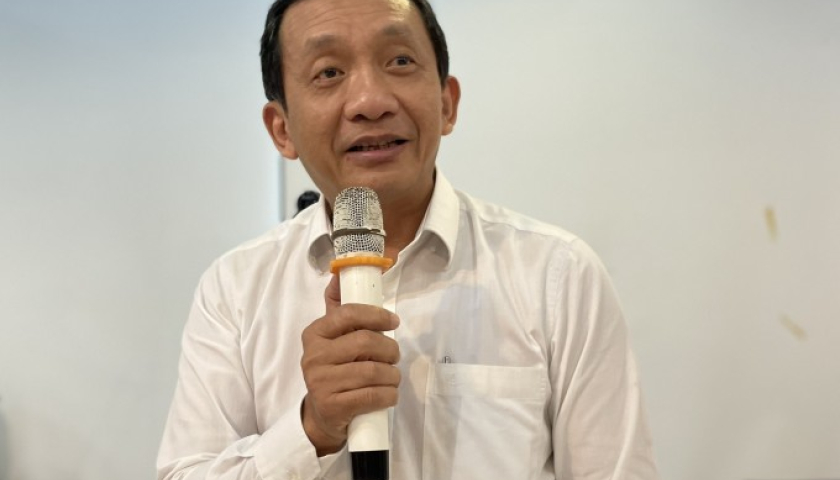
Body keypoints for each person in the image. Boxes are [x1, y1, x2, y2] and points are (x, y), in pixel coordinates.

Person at [157, 0, 661, 478]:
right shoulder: (235, 289)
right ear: (281, 129)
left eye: (399, 60)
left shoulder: (557, 274)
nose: (370, 102)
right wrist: (311, 429)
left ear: (446, 103)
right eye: (329, 72)